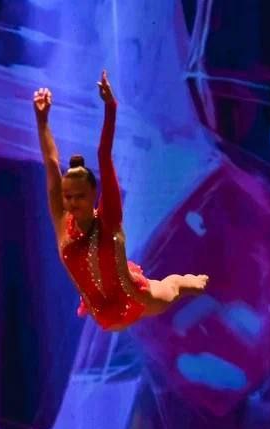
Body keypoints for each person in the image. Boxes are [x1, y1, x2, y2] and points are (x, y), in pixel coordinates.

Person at [33, 71, 207, 332]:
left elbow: (104, 156)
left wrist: (111, 107)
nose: (73, 202)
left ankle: (188, 282)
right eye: (68, 197)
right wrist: (42, 119)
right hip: (103, 315)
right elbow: (51, 164)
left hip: (135, 300)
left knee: (172, 289)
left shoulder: (108, 220)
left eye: (80, 196)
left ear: (93, 195)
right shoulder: (62, 223)